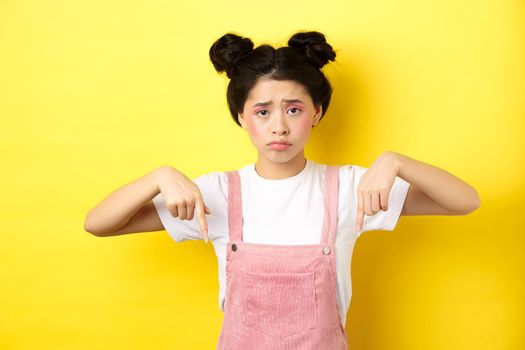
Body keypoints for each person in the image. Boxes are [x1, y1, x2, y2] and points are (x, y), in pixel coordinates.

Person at [84, 30, 481, 349]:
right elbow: (98, 224)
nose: (279, 126)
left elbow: (465, 201)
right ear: (241, 117)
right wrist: (160, 175)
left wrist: (397, 162)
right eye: (262, 111)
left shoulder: (349, 188)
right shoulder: (218, 193)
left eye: (294, 109)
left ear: (317, 113)